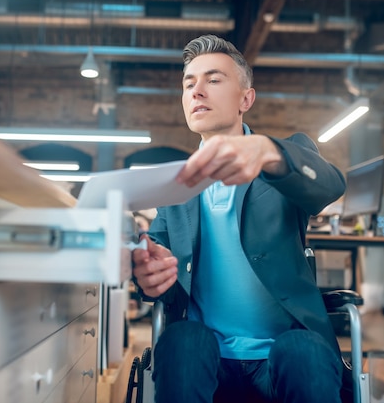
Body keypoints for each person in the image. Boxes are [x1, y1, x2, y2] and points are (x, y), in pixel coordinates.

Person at [132, 34, 347, 403]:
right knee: (181, 340)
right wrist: (150, 276)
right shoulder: (175, 185)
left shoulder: (281, 159)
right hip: (206, 358)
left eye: (213, 80)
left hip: (282, 353)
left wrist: (269, 152)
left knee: (303, 351)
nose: (197, 91)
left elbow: (328, 185)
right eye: (189, 83)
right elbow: (162, 266)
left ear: (245, 98)